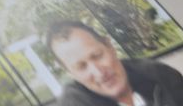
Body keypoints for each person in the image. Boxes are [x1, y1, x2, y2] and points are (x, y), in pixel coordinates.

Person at [46, 20, 183, 106]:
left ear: (110, 46)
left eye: (97, 56)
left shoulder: (160, 75)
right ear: (71, 74)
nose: (99, 72)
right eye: (81, 66)